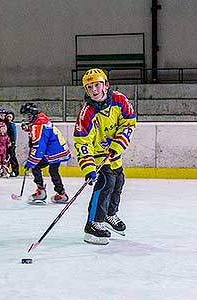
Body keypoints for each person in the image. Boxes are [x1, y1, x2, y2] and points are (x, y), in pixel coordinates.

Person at [73, 68, 136, 245]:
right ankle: (93, 224)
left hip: (114, 152)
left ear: (106, 85)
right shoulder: (86, 114)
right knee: (105, 183)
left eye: (97, 85)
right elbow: (82, 142)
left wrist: (117, 145)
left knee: (118, 181)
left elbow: (129, 122)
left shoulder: (119, 100)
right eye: (89, 87)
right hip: (97, 155)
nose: (94, 90)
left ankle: (109, 214)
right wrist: (89, 167)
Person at [20, 103, 72, 205]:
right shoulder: (42, 120)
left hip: (52, 152)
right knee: (53, 170)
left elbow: (39, 146)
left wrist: (31, 162)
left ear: (33, 115)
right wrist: (29, 127)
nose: (26, 119)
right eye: (24, 116)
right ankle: (61, 193)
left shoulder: (38, 126)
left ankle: (41, 192)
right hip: (59, 150)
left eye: (28, 116)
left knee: (36, 167)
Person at [6, 111, 19, 177]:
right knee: (6, 157)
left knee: (12, 156)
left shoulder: (12, 125)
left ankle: (15, 170)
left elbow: (14, 134)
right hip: (5, 143)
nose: (9, 118)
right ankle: (5, 170)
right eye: (8, 116)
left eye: (10, 117)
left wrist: (13, 142)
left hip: (11, 143)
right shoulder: (5, 124)